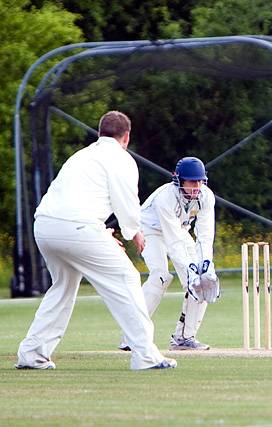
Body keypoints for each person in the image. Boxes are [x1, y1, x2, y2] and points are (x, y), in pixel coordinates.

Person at [16, 111, 176, 370]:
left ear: (100, 133)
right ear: (126, 136)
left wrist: (99, 233)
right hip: (78, 228)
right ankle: (146, 356)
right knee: (127, 278)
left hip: (45, 226)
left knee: (63, 288)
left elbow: (76, 199)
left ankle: (32, 354)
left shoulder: (82, 156)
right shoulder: (121, 159)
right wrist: (133, 231)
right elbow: (125, 201)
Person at [119, 156, 219, 352]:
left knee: (201, 281)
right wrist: (189, 268)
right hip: (150, 230)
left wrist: (206, 264)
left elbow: (205, 234)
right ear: (179, 180)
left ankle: (184, 337)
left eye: (199, 181)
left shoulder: (206, 196)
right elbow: (174, 243)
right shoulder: (166, 198)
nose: (196, 186)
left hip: (180, 230)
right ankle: (131, 336)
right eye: (192, 181)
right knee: (160, 277)